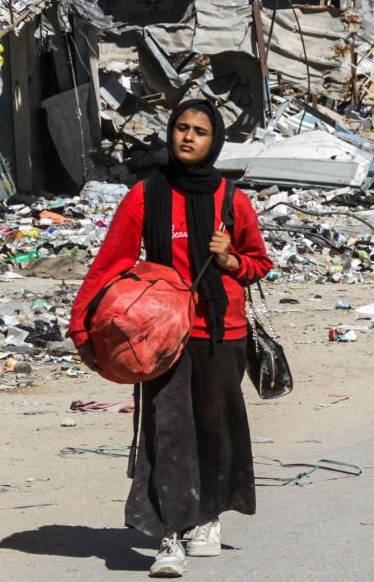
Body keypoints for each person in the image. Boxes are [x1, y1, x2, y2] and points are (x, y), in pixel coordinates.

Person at [69, 99, 272, 578]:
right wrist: (83, 323)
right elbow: (111, 262)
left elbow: (259, 264)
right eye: (181, 127)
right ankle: (170, 535)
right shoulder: (145, 196)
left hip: (223, 333)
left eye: (200, 131)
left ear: (213, 140)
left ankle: (208, 518)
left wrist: (229, 261)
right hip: (159, 337)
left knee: (214, 428)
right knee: (167, 431)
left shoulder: (232, 199)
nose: (188, 137)